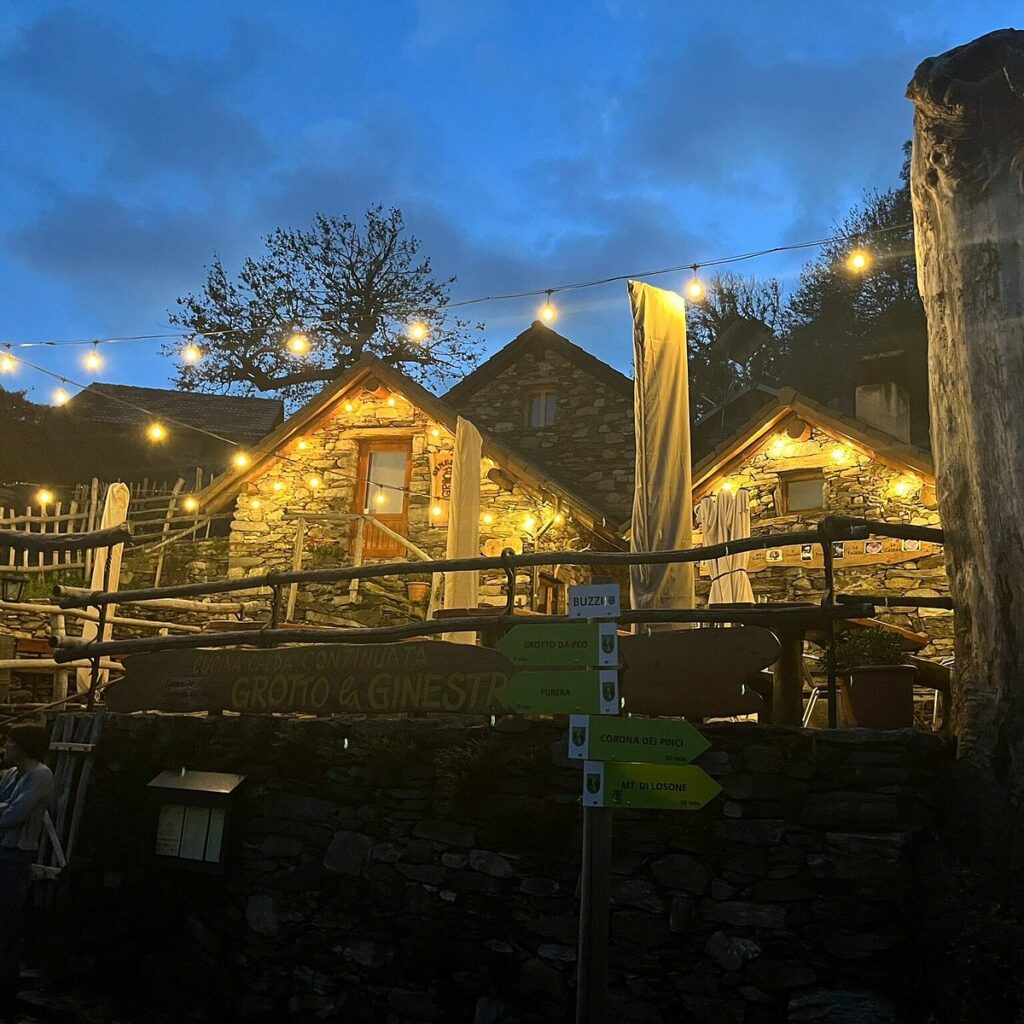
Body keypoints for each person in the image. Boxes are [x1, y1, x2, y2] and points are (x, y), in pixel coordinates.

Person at [0, 724, 53, 1022]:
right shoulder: (10, 776)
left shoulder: (40, 776)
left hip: (13, 859)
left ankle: (5, 1005)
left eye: (10, 742)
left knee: (5, 934)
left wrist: (6, 809)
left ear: (23, 746)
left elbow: (13, 816)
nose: (5, 747)